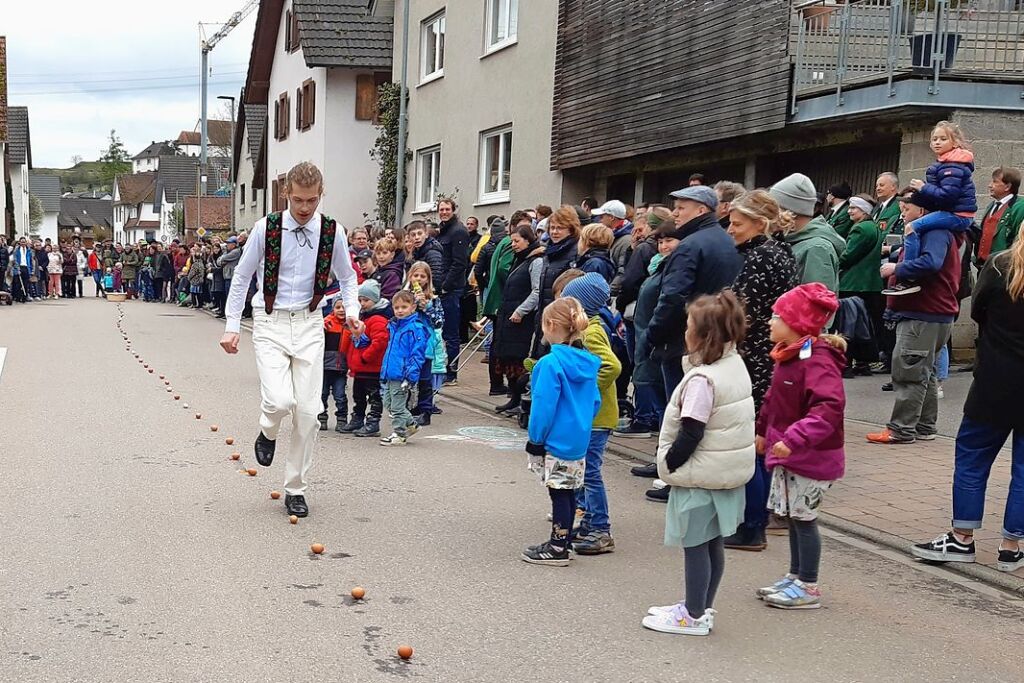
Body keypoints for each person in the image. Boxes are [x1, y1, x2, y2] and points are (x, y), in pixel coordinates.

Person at [220, 161, 362, 519]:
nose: (304, 208)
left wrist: (354, 310)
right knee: (280, 400)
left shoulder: (333, 232)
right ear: (286, 194)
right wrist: (232, 325)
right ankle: (267, 431)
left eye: (311, 200)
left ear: (321, 195)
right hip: (270, 322)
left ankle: (295, 488)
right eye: (298, 200)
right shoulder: (265, 228)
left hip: (311, 323)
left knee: (310, 412)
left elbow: (347, 277)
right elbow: (241, 276)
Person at [641, 291, 755, 636]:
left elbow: (691, 430)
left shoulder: (702, 380)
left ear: (703, 335)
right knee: (712, 543)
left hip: (700, 476)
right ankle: (701, 607)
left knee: (695, 545)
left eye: (688, 325)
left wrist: (671, 463)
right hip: (724, 473)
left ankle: (691, 615)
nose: (684, 330)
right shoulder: (733, 364)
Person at [910, 237, 1024, 573]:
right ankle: (1011, 547)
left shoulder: (1002, 265)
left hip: (995, 379)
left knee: (973, 457)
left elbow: (977, 310)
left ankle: (961, 538)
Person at [756, 283, 846, 610]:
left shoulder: (817, 360)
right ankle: (795, 577)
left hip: (812, 455)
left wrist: (793, 438)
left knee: (804, 518)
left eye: (777, 317)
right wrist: (763, 431)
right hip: (790, 453)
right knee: (794, 516)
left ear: (797, 323)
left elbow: (828, 408)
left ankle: (808, 584)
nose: (770, 322)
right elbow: (772, 399)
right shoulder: (789, 354)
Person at [721, 190, 798, 550]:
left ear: (759, 223)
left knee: (753, 444)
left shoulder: (763, 257)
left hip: (757, 361)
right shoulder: (776, 252)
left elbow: (744, 315)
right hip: (768, 359)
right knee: (758, 441)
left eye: (737, 223)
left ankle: (753, 525)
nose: (731, 230)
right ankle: (754, 519)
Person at [866, 195, 968, 445]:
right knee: (926, 372)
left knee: (909, 371)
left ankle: (901, 428)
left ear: (922, 209)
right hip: (933, 314)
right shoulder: (940, 231)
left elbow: (930, 263)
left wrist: (896, 269)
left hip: (924, 313)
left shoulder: (934, 232)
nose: (902, 214)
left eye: (906, 208)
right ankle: (924, 426)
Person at [521, 298, 601, 566]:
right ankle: (562, 541)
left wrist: (536, 440)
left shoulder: (550, 364)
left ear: (551, 325)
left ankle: (557, 545)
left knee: (558, 492)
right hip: (578, 438)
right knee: (568, 491)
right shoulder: (588, 363)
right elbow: (595, 401)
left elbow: (542, 406)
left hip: (554, 438)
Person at [646, 185, 744, 400]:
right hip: (719, 338)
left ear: (701, 211)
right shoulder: (728, 240)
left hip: (686, 340)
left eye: (681, 208)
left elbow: (673, 297)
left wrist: (651, 335)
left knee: (680, 408)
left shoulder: (690, 245)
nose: (675, 213)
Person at [561, 272, 622, 555]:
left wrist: (586, 390)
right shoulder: (586, 330)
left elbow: (612, 366)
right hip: (590, 416)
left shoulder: (591, 332)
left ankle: (600, 528)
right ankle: (588, 524)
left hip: (597, 416)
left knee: (590, 473)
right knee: (584, 470)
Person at [885, 121, 976, 296]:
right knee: (915, 228)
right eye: (934, 139)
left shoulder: (953, 165)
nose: (937, 142)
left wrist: (923, 188)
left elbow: (948, 196)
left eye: (943, 139)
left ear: (955, 142)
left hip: (957, 215)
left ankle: (908, 276)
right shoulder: (945, 163)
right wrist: (919, 195)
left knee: (912, 227)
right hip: (953, 212)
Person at [491, 225, 544, 415]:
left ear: (528, 240)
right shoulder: (520, 259)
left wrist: (521, 311)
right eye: (512, 241)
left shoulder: (536, 261)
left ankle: (520, 398)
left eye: (517, 241)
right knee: (507, 357)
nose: (513, 245)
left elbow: (536, 291)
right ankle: (513, 397)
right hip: (508, 315)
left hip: (522, 320)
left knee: (519, 359)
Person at [770, 173, 845, 293]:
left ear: (788, 212)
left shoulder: (817, 249)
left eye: (772, 209)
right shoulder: (789, 240)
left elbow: (817, 305)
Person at [837, 195, 885, 375]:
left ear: (864, 210)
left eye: (853, 208)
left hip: (853, 283)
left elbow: (848, 256)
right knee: (865, 325)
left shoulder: (860, 229)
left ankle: (846, 363)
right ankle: (863, 363)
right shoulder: (875, 227)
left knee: (848, 325)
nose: (849, 211)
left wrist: (834, 262)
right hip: (871, 284)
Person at [378, 290, 429, 446]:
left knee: (398, 406)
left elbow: (417, 354)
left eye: (404, 307)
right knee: (388, 402)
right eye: (397, 307)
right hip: (391, 371)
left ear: (413, 307)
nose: (400, 310)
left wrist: (410, 375)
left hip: (402, 373)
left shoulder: (415, 328)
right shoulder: (394, 326)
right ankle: (411, 424)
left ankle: (400, 434)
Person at [341, 280, 391, 437]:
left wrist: (365, 357)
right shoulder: (362, 317)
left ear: (375, 300)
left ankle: (373, 422)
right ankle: (358, 419)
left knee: (374, 397)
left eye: (366, 300)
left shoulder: (377, 319)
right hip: (360, 367)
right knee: (358, 396)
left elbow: (380, 342)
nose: (362, 304)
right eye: (360, 300)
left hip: (371, 367)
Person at [531, 206, 580, 358]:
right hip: (545, 317)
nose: (554, 232)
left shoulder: (574, 253)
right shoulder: (549, 252)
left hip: (561, 322)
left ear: (571, 229)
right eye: (552, 228)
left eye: (560, 228)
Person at [406, 261, 446, 427]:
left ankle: (426, 410)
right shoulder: (405, 296)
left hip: (425, 344)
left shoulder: (434, 299)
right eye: (416, 275)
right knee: (407, 377)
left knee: (424, 379)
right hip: (408, 342)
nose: (419, 279)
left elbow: (439, 322)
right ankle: (408, 407)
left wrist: (426, 307)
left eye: (423, 276)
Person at [434, 199, 470, 384]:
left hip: (452, 289)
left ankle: (452, 372)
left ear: (454, 210)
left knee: (451, 333)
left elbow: (459, 263)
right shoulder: (444, 230)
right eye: (441, 209)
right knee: (441, 332)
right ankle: (442, 369)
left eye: (447, 209)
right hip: (442, 288)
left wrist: (446, 286)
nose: (444, 212)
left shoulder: (458, 231)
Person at [974, 166, 1024, 268]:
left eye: (995, 182)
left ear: (1007, 187)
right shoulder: (992, 206)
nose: (990, 185)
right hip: (984, 267)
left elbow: (1018, 239)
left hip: (1003, 268)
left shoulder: (1019, 207)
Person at [320, 299, 351, 432]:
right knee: (322, 394)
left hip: (341, 368)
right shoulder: (327, 323)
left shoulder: (350, 325)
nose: (341, 310)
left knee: (340, 395)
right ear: (333, 308)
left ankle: (342, 419)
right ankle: (321, 417)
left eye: (344, 307)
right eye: (338, 307)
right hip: (324, 367)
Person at [409, 221, 444, 288]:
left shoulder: (433, 252)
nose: (416, 237)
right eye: (413, 235)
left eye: (420, 234)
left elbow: (436, 278)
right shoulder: (416, 251)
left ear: (426, 234)